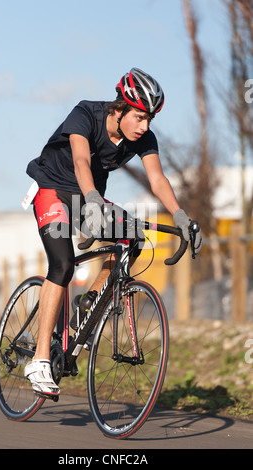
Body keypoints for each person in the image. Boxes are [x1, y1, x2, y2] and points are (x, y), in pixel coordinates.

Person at [23, 67, 202, 397]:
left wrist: (181, 217)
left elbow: (158, 179)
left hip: (89, 196)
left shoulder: (143, 137)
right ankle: (39, 359)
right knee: (62, 264)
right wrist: (92, 201)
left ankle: (88, 305)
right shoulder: (85, 114)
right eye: (139, 117)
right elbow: (80, 161)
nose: (144, 126)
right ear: (119, 108)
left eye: (149, 119)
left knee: (133, 236)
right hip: (53, 189)